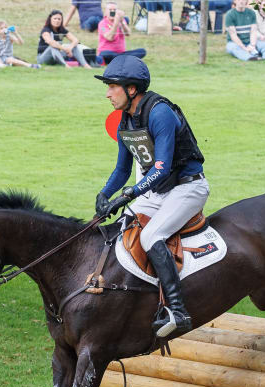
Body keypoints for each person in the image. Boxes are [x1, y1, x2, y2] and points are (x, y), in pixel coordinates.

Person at [94, 56, 207, 338]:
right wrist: (105, 194)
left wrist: (129, 194)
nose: (107, 93)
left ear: (131, 89)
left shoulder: (160, 113)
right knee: (121, 230)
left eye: (112, 87)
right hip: (157, 191)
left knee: (150, 236)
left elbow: (162, 167)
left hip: (187, 188)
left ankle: (178, 312)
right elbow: (122, 169)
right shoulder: (126, 121)